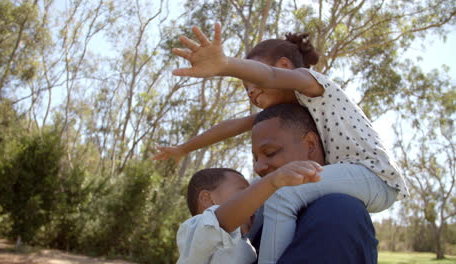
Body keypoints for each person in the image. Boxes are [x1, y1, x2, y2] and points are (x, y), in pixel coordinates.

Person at [158, 23, 409, 263]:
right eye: (246, 90)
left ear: (284, 66)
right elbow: (232, 126)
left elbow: (269, 75)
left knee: (284, 193)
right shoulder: (291, 112)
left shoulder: (311, 83)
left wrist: (226, 64)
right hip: (352, 177)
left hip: (374, 175)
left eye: (251, 82)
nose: (251, 93)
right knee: (264, 192)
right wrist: (184, 148)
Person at [176, 164, 322, 264]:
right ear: (207, 199)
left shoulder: (244, 240)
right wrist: (272, 181)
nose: (254, 202)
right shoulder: (194, 230)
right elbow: (220, 220)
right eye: (243, 192)